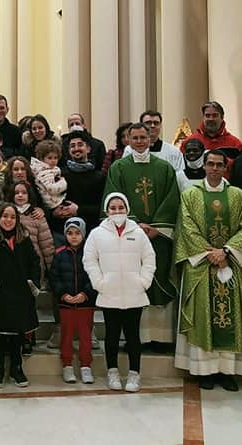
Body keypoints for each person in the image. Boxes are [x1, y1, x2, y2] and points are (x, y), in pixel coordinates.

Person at [174, 149, 242, 391]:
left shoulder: (238, 196)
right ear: (204, 166)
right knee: (203, 315)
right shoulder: (191, 195)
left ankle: (228, 371)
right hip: (202, 266)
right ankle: (204, 371)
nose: (215, 168)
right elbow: (187, 228)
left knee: (233, 317)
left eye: (219, 165)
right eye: (211, 164)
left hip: (232, 263)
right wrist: (211, 254)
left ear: (225, 168)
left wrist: (226, 251)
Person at [103, 122, 181, 346]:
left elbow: (171, 199)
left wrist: (156, 227)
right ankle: (135, 338)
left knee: (160, 280)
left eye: (142, 137)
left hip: (159, 236)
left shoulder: (164, 167)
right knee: (132, 284)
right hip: (128, 238)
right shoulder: (118, 168)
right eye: (134, 138)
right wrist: (136, 227)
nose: (139, 142)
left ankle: (161, 338)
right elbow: (113, 200)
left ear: (150, 139)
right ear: (127, 140)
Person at [84, 194, 156, 392]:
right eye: (113, 208)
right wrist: (99, 282)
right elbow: (89, 260)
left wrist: (143, 281)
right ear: (107, 211)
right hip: (109, 293)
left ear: (127, 210)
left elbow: (149, 258)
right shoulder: (97, 234)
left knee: (133, 336)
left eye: (121, 208)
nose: (117, 212)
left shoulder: (138, 233)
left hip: (135, 293)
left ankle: (134, 374)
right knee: (112, 336)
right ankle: (112, 372)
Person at [0, 204, 41, 389]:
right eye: (5, 216)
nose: (8, 220)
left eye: (12, 217)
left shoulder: (24, 240)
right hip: (0, 296)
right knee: (0, 336)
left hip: (20, 294)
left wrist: (32, 282)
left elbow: (35, 262)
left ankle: (16, 367)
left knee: (18, 334)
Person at [49, 217, 96, 385]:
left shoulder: (90, 254)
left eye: (77, 233)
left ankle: (85, 366)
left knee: (85, 337)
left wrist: (86, 293)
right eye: (69, 233)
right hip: (66, 304)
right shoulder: (60, 253)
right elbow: (54, 278)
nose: (74, 237)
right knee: (66, 336)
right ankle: (67, 365)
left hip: (85, 304)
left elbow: (94, 276)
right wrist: (63, 294)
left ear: (83, 234)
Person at [60, 130, 106, 233]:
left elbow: (102, 207)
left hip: (92, 229)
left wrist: (79, 210)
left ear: (88, 149)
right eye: (72, 146)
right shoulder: (61, 174)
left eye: (80, 145)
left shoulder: (99, 177)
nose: (76, 149)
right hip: (65, 230)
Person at [179, 101, 242, 169]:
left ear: (222, 118)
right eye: (207, 115)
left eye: (215, 115)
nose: (211, 119)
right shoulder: (189, 142)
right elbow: (181, 166)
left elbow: (241, 169)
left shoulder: (235, 144)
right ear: (203, 118)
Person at [30, 140, 69, 211]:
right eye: (49, 158)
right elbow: (52, 189)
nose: (53, 160)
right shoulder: (44, 172)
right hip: (53, 203)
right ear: (42, 158)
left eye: (55, 158)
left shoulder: (51, 169)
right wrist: (64, 183)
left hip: (56, 199)